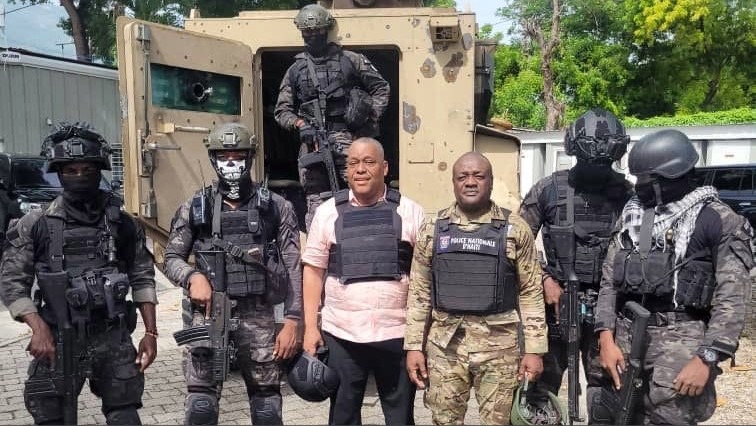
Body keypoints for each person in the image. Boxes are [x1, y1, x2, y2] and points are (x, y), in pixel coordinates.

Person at [0, 122, 158, 424]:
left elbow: (142, 276)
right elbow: (12, 283)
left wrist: (150, 333)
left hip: (112, 336)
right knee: (49, 414)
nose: (79, 177)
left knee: (125, 414)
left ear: (99, 170)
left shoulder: (122, 224)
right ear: (58, 173)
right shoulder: (37, 224)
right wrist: (38, 328)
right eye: (70, 170)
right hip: (58, 336)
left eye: (87, 169)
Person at [594, 129, 753, 425]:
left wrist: (707, 358)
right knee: (615, 415)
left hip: (682, 341)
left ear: (671, 177)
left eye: (645, 179)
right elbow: (609, 282)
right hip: (626, 336)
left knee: (671, 418)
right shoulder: (633, 215)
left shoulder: (718, 220)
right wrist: (605, 336)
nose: (638, 186)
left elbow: (732, 298)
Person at [163, 122, 302, 425]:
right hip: (208, 316)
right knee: (201, 406)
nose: (231, 163)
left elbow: (293, 265)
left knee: (267, 406)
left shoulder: (276, 207)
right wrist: (192, 277)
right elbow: (171, 256)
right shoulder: (196, 206)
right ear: (213, 159)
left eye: (238, 155)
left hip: (259, 315)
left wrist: (293, 320)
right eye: (223, 156)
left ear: (251, 157)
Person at [404, 151, 548, 425]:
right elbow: (419, 293)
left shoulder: (515, 229)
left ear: (491, 182)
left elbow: (531, 292)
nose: (470, 182)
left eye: (478, 176)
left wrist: (534, 350)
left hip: (500, 349)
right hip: (445, 347)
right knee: (444, 421)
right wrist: (413, 347)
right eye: (463, 176)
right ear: (454, 182)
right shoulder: (432, 230)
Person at [518, 108, 633, 417]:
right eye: (589, 162)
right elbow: (516, 243)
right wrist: (543, 279)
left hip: (608, 311)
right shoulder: (548, 189)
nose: (597, 170)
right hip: (555, 307)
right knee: (541, 393)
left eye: (604, 163)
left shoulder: (627, 194)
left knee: (608, 388)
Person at [301, 137, 424, 425]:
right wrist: (310, 328)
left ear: (385, 167)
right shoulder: (328, 211)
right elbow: (313, 269)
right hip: (342, 334)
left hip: (397, 333)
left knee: (400, 418)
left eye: (368, 162)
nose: (360, 169)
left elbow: (424, 277)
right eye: (353, 163)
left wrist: (421, 337)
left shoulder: (411, 212)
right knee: (342, 416)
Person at [274, 3, 390, 231]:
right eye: (307, 32)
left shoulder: (351, 60)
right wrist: (300, 124)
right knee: (316, 200)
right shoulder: (295, 70)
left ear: (326, 30)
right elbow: (281, 110)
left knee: (361, 192)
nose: (311, 37)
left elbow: (381, 88)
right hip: (313, 143)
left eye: (316, 31)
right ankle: (321, 246)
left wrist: (369, 117)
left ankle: (367, 237)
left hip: (350, 139)